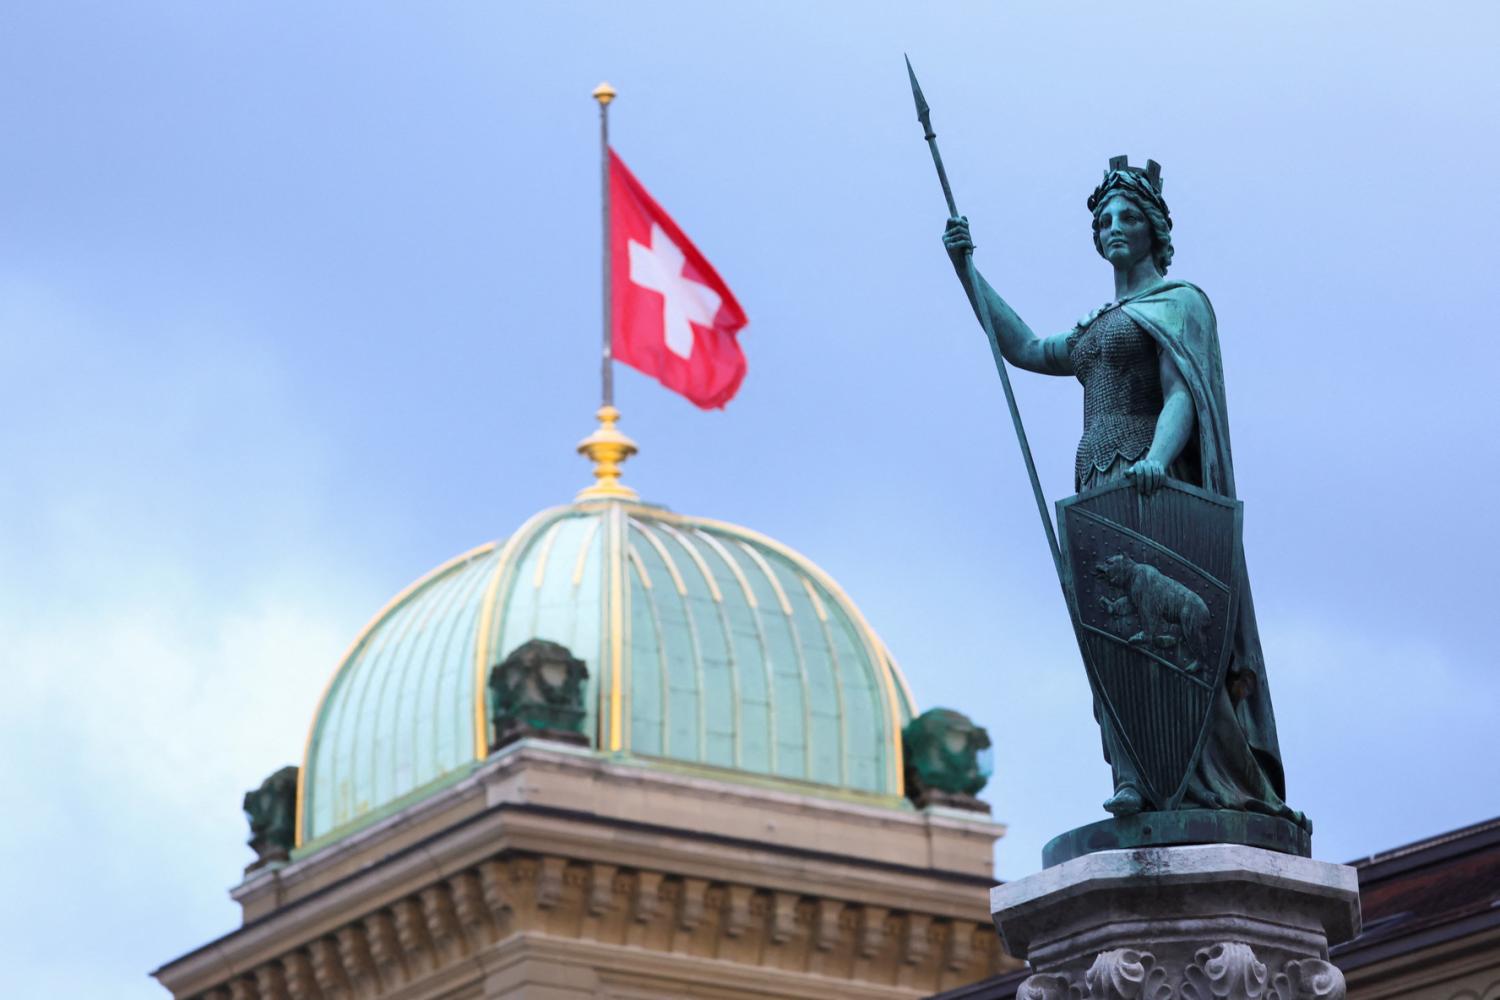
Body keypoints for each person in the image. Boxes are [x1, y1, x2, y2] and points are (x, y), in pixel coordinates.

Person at [943, 157, 1305, 828]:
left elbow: (1181, 396)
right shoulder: (1096, 324)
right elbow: (1022, 346)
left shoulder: (1179, 304)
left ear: (1156, 229)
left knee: (1170, 639)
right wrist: (969, 271)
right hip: (1093, 481)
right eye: (1104, 218)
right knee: (1110, 635)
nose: (1114, 226)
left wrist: (1160, 461)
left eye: (1129, 216)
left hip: (1147, 479)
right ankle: (1132, 773)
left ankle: (1213, 776)